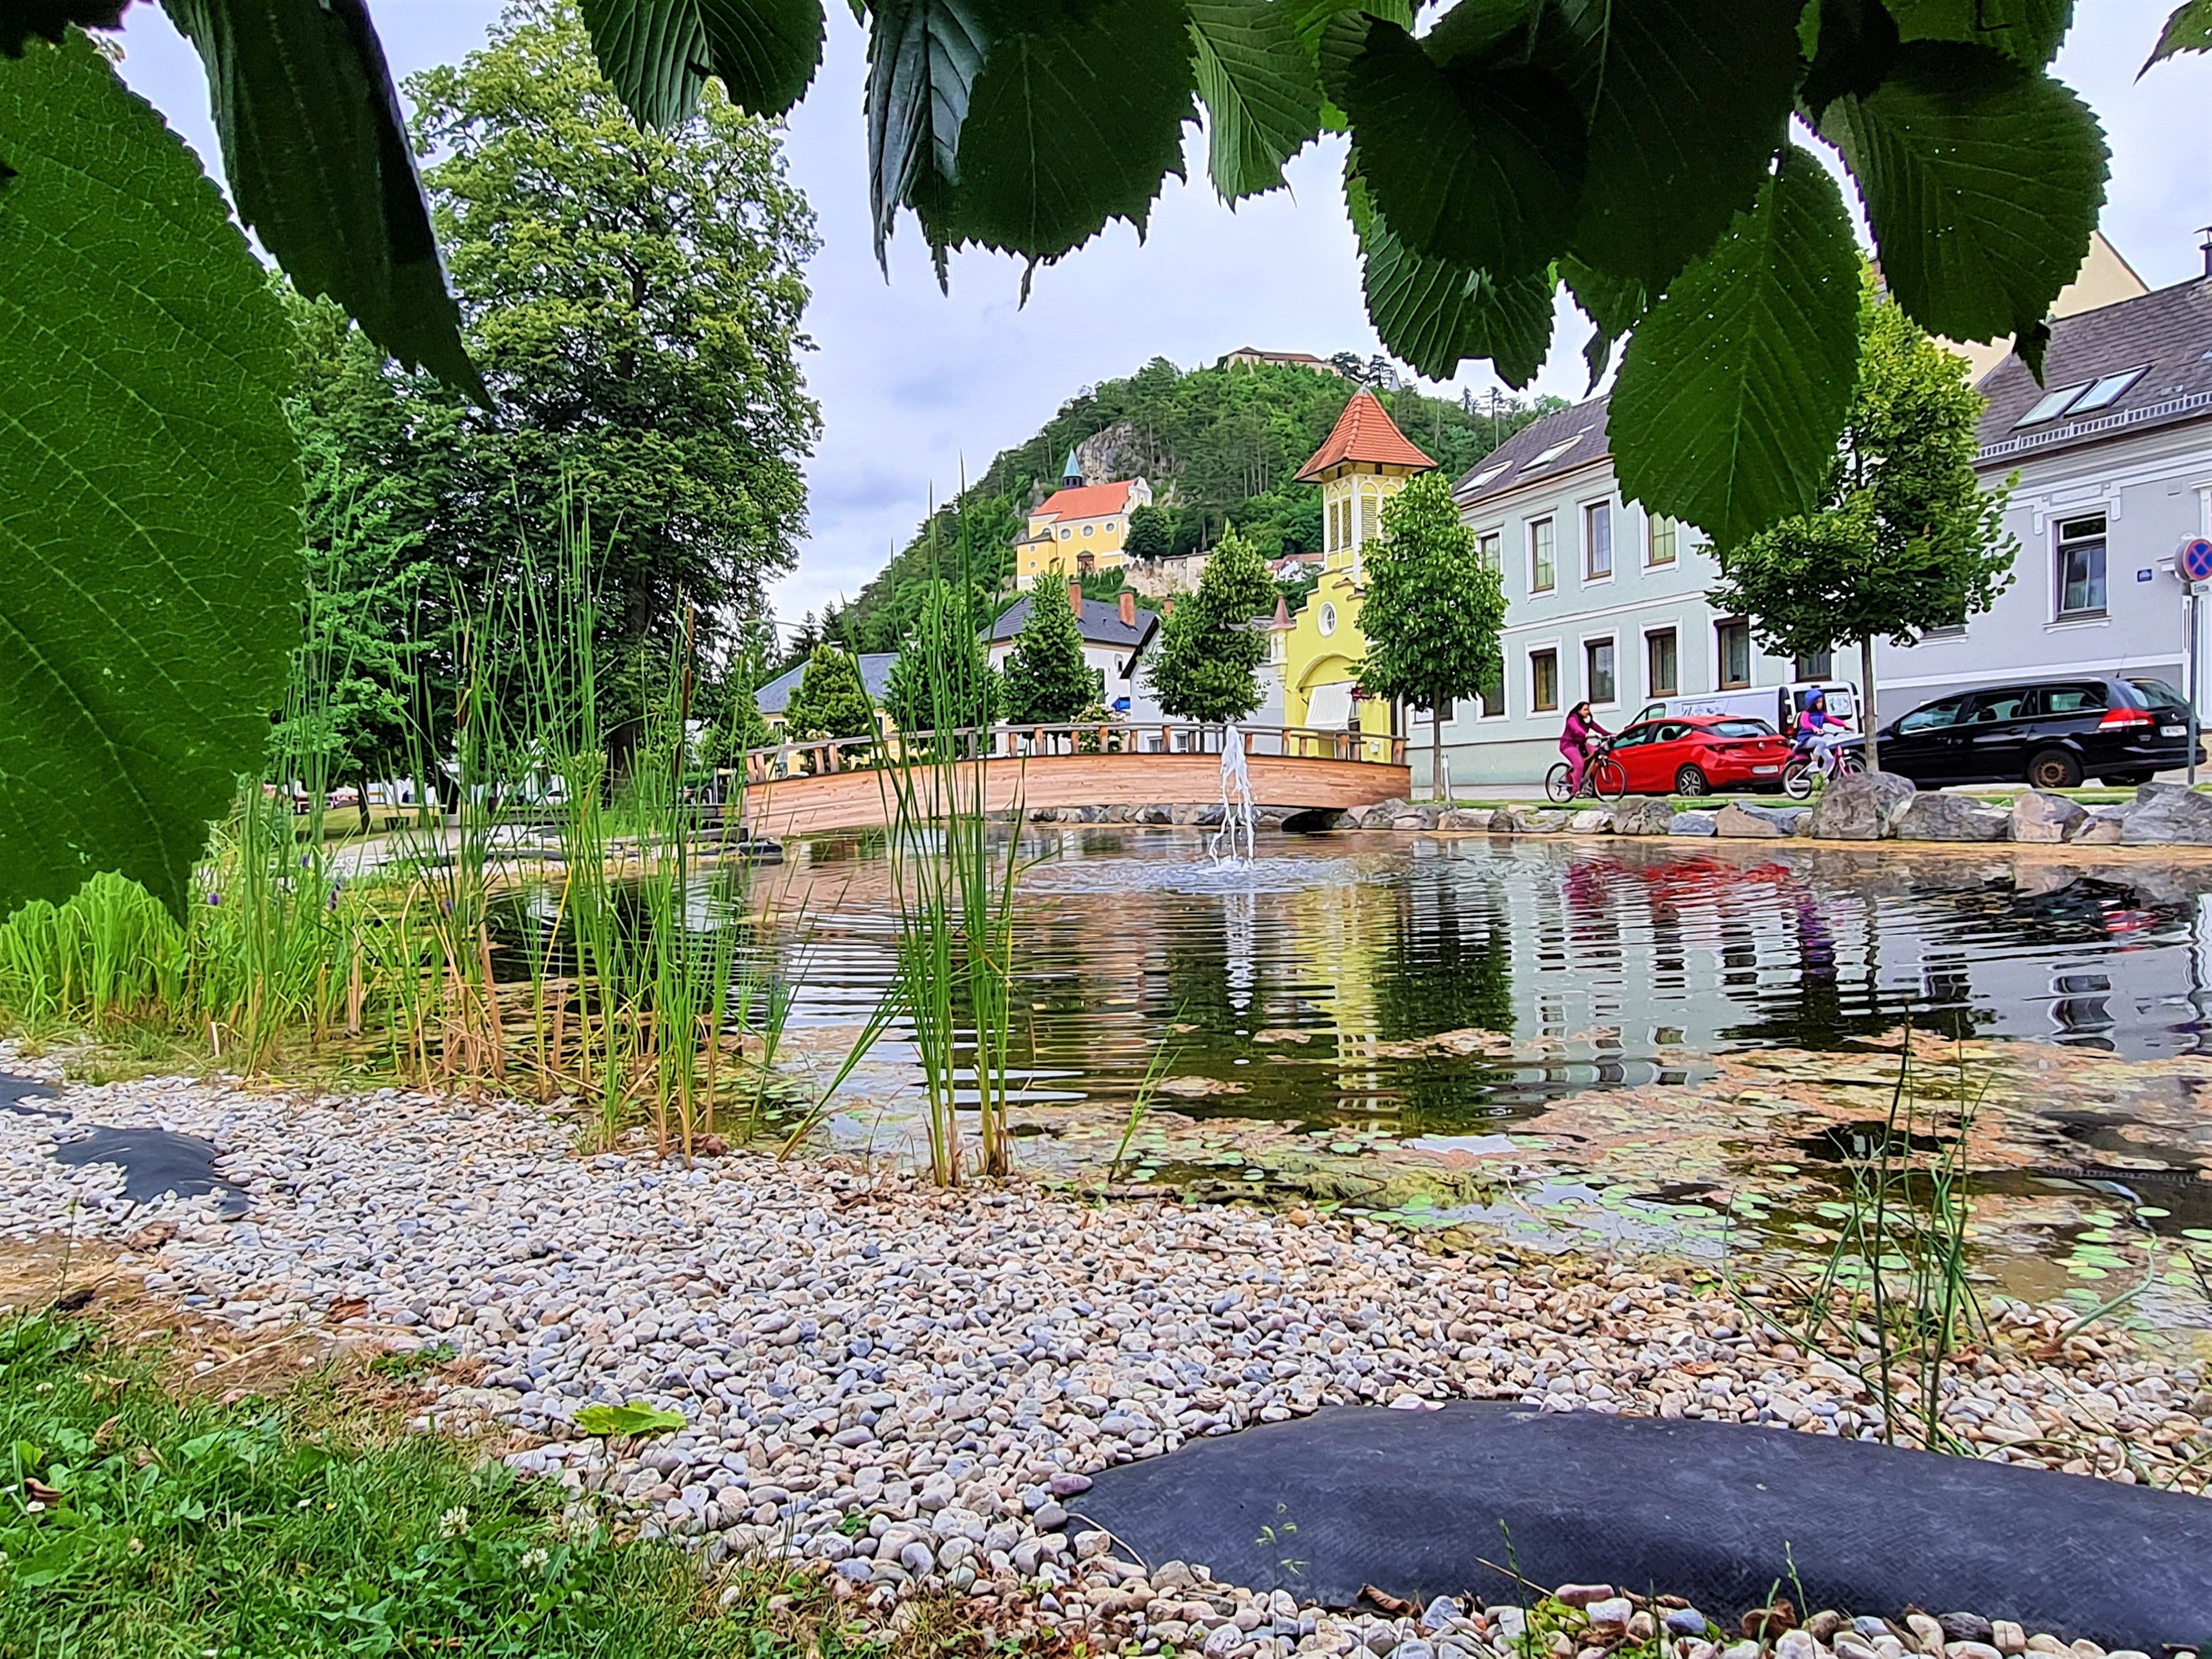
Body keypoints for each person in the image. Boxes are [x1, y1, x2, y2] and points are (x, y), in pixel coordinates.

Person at [1792, 691, 1852, 778]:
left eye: (1822, 702)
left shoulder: (1822, 715)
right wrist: (1814, 728)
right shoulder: (1806, 714)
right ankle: (1814, 763)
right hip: (1806, 739)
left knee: (1830, 759)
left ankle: (1822, 777)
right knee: (1823, 742)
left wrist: (1844, 723)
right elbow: (1805, 723)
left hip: (1817, 739)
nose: (1821, 704)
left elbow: (1833, 720)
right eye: (1818, 702)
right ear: (1813, 704)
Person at [1561, 701, 1610, 794]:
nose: (1587, 712)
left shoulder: (1587, 720)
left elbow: (1598, 728)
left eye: (1588, 710)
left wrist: (1610, 735)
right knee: (1579, 765)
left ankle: (1585, 776)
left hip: (1581, 745)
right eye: (1585, 710)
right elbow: (1576, 729)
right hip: (1569, 745)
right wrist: (1585, 734)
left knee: (1597, 751)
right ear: (1579, 711)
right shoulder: (1573, 719)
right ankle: (1576, 790)